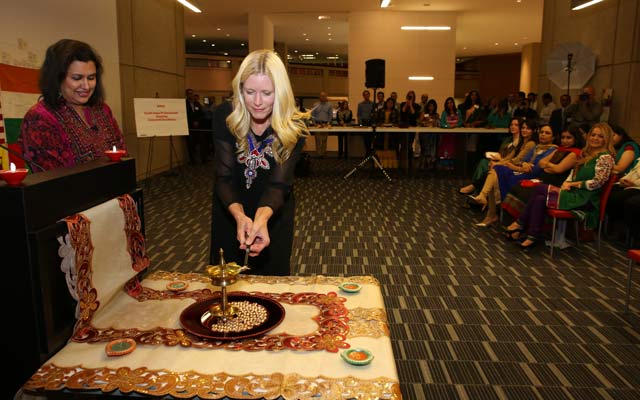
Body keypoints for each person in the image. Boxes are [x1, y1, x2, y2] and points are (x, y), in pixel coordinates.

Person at [209, 49, 307, 276]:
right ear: (240, 89)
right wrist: (240, 216)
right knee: (228, 282)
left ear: (280, 92)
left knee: (272, 284)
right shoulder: (225, 115)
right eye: (250, 92)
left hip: (273, 212)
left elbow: (279, 184)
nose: (258, 102)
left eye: (267, 93)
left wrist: (261, 219)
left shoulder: (294, 125)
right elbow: (223, 177)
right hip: (230, 207)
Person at [18, 39, 125, 172]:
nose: (86, 86)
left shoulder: (101, 109)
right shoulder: (40, 118)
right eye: (77, 78)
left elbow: (122, 154)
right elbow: (54, 180)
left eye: (91, 78)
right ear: (58, 78)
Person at [505, 123, 615, 251]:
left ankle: (520, 223)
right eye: (593, 135)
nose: (595, 138)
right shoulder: (586, 154)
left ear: (606, 139)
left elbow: (597, 182)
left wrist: (572, 184)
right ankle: (531, 237)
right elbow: (572, 175)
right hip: (573, 194)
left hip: (585, 200)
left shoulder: (606, 157)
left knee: (539, 188)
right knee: (540, 197)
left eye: (600, 136)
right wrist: (566, 184)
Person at [311, 91, 332, 157]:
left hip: (325, 124)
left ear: (326, 97)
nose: (323, 97)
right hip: (317, 125)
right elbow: (312, 115)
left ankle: (323, 153)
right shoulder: (315, 105)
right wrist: (314, 124)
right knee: (318, 140)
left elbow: (330, 115)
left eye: (324, 96)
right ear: (319, 97)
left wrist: (328, 123)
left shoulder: (329, 105)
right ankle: (318, 154)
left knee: (324, 140)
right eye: (321, 96)